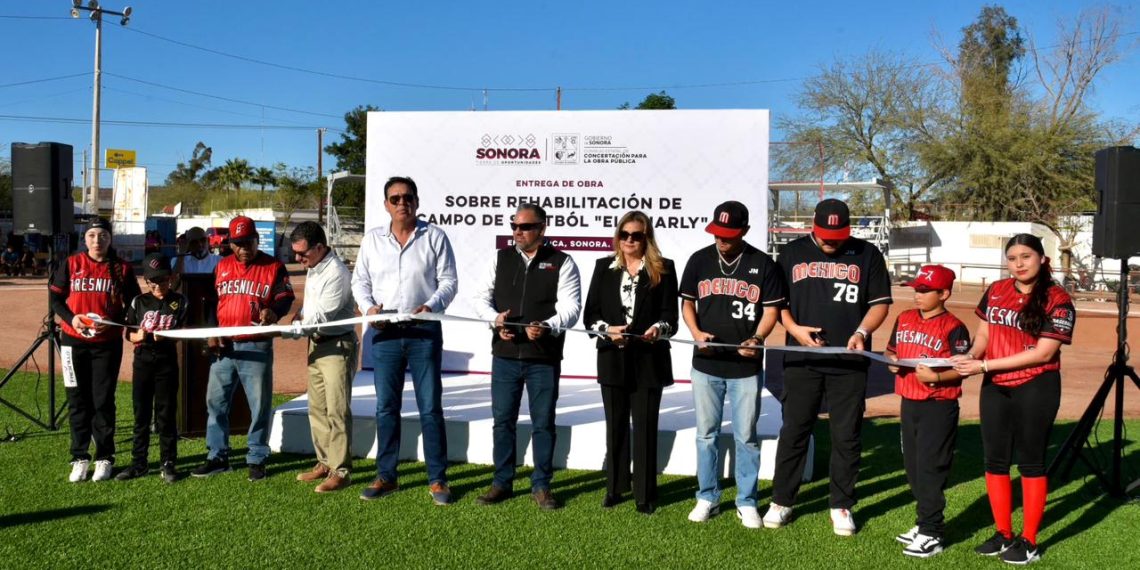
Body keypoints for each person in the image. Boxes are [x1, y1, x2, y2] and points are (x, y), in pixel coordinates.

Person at [765, 198, 892, 536]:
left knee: (846, 435)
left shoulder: (867, 255)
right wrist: (793, 330)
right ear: (813, 228)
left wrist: (862, 332)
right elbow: (777, 304)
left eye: (837, 236)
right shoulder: (791, 253)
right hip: (802, 360)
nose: (830, 242)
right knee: (794, 430)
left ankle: (841, 504)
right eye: (824, 236)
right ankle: (782, 501)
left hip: (849, 362)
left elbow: (879, 304)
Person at [951, 234, 1076, 565]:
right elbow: (984, 335)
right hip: (996, 385)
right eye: (1012, 258)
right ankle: (1003, 533)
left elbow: (1043, 353)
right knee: (995, 461)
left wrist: (984, 364)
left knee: (1032, 462)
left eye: (1026, 256)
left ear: (1042, 259)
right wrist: (969, 357)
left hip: (1036, 385)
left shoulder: (1057, 298)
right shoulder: (996, 290)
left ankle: (1030, 541)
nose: (1019, 264)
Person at [351, 176, 458, 505]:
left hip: (423, 331)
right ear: (386, 204)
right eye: (395, 198)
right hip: (385, 334)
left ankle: (437, 479)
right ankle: (387, 475)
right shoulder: (372, 240)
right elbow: (360, 282)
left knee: (430, 408)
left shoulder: (435, 237)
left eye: (407, 197)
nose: (402, 203)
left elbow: (449, 282)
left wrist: (431, 305)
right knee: (386, 408)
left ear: (417, 201)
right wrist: (370, 309)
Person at [679, 201, 785, 528]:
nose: (722, 240)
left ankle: (747, 500)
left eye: (729, 234)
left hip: (745, 367)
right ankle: (707, 496)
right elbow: (688, 304)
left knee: (746, 436)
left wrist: (757, 338)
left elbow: (770, 311)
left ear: (745, 231)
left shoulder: (762, 264)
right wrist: (696, 333)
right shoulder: (699, 260)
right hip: (706, 362)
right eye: (717, 233)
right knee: (706, 435)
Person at [471, 203, 582, 510]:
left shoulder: (562, 262)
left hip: (543, 357)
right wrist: (495, 320)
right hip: (504, 355)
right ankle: (501, 482)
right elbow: (480, 298)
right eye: (514, 226)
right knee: (502, 421)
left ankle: (542, 485)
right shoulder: (499, 258)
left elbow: (572, 307)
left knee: (543, 422)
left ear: (542, 229)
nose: (517, 232)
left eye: (525, 227)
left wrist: (548, 326)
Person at [583, 210, 678, 515]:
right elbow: (590, 317)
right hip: (612, 359)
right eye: (624, 234)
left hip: (649, 361)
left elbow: (671, 319)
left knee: (646, 428)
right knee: (616, 427)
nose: (629, 240)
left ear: (646, 237)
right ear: (618, 236)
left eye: (636, 235)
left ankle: (645, 494)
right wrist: (607, 331)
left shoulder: (664, 269)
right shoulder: (603, 267)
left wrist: (657, 330)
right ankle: (615, 487)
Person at [192, 215, 295, 482]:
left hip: (255, 345)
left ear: (257, 240)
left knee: (259, 404)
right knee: (215, 402)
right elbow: (211, 303)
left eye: (248, 242)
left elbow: (285, 297)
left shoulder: (273, 266)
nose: (243, 248)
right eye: (238, 243)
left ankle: (257, 456)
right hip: (224, 346)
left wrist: (274, 311)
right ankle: (217, 455)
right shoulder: (222, 266)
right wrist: (212, 333)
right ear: (231, 244)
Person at [883, 265, 970, 558]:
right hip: (909, 401)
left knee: (932, 469)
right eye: (916, 290)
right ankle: (923, 524)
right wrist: (891, 361)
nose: (918, 295)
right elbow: (890, 350)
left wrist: (937, 378)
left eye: (924, 290)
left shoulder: (954, 327)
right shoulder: (904, 318)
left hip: (938, 405)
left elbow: (962, 370)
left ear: (943, 293)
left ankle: (933, 533)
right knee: (913, 467)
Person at [49, 219, 142, 482]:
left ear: (110, 239)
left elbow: (134, 303)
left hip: (106, 344)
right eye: (91, 235)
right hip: (73, 341)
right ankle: (79, 457)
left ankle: (104, 457)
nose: (97, 240)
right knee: (77, 400)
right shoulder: (71, 263)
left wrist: (117, 321)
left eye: (102, 235)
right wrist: (71, 318)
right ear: (85, 238)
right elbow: (55, 298)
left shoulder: (121, 268)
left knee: (102, 400)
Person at [288, 221, 358, 493]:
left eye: (302, 254)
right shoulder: (314, 267)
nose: (298, 259)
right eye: (296, 253)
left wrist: (288, 330)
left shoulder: (338, 273)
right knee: (316, 408)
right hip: (315, 345)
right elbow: (310, 307)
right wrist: (298, 315)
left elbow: (321, 316)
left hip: (337, 347)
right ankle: (324, 462)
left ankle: (341, 471)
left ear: (319, 247)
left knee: (337, 410)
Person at [116, 253, 188, 484]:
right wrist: (138, 335)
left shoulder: (180, 301)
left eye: (163, 280)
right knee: (141, 414)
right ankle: (139, 463)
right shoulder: (139, 301)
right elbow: (128, 330)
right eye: (153, 281)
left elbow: (186, 330)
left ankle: (168, 462)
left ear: (172, 277)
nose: (158, 285)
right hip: (143, 363)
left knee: (166, 415)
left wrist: (166, 335)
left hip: (166, 364)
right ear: (146, 281)